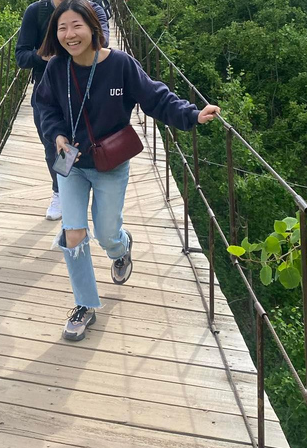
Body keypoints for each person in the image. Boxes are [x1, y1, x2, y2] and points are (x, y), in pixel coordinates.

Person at [35, 0, 221, 341]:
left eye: (76, 26)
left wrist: (192, 115)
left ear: (93, 27)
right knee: (73, 232)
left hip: (110, 164)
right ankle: (85, 305)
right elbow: (44, 104)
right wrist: (57, 134)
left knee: (107, 235)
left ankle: (121, 248)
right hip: (71, 163)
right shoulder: (55, 69)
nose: (69, 35)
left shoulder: (120, 64)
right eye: (62, 28)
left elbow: (156, 97)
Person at [15, 0, 109, 221]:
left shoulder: (93, 10)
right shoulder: (36, 12)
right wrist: (42, 56)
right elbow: (21, 56)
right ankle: (61, 192)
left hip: (87, 91)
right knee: (55, 147)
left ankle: (91, 192)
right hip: (49, 95)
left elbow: (102, 45)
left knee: (92, 142)